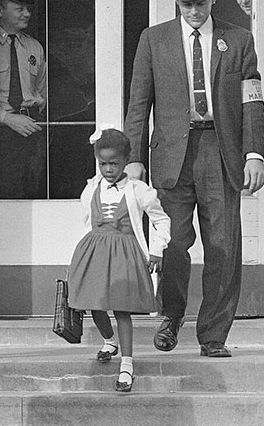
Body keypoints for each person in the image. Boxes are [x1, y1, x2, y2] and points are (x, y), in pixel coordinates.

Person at [124, 0, 264, 358]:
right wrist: (133, 158)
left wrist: (254, 154)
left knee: (223, 245)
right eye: (186, 5)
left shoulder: (238, 40)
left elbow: (252, 102)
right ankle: (171, 317)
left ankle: (214, 334)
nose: (193, 11)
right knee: (172, 242)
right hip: (172, 157)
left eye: (199, 4)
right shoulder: (153, 40)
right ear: (176, 3)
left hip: (221, 153)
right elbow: (139, 103)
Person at [68, 127, 170, 392]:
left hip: (124, 253)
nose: (109, 169)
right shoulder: (92, 188)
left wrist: (157, 248)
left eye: (114, 163)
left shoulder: (138, 190)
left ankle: (127, 364)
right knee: (94, 303)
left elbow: (161, 219)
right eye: (103, 164)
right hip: (96, 251)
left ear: (126, 161)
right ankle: (109, 340)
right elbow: (87, 220)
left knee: (121, 308)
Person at [0, 0, 48, 199]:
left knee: (34, 189)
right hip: (0, 131)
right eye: (19, 9)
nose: (26, 14)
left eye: (27, 9)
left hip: (32, 129)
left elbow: (41, 90)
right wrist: (6, 118)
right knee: (6, 191)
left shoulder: (34, 46)